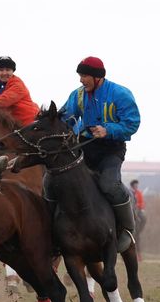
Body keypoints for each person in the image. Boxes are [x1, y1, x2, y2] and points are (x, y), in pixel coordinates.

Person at [56, 56, 141, 252]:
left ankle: (127, 229)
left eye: (84, 75)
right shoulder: (77, 95)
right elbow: (65, 118)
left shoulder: (120, 94)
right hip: (85, 146)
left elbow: (132, 123)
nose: (81, 80)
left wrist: (108, 130)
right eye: (79, 75)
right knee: (59, 182)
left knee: (109, 185)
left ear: (97, 77)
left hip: (112, 149)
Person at [0, 56, 40, 125]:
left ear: (12, 71)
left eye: (8, 70)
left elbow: (3, 101)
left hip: (28, 125)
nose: (4, 73)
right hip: (10, 127)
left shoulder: (18, 85)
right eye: (1, 70)